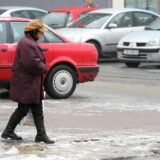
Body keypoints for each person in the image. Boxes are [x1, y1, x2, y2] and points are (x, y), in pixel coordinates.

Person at [1, 19, 54, 144]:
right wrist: (44, 67)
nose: (42, 35)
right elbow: (32, 64)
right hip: (27, 83)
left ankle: (41, 134)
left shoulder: (29, 41)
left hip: (30, 83)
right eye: (40, 32)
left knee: (37, 108)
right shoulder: (27, 43)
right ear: (34, 31)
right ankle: (8, 132)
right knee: (23, 109)